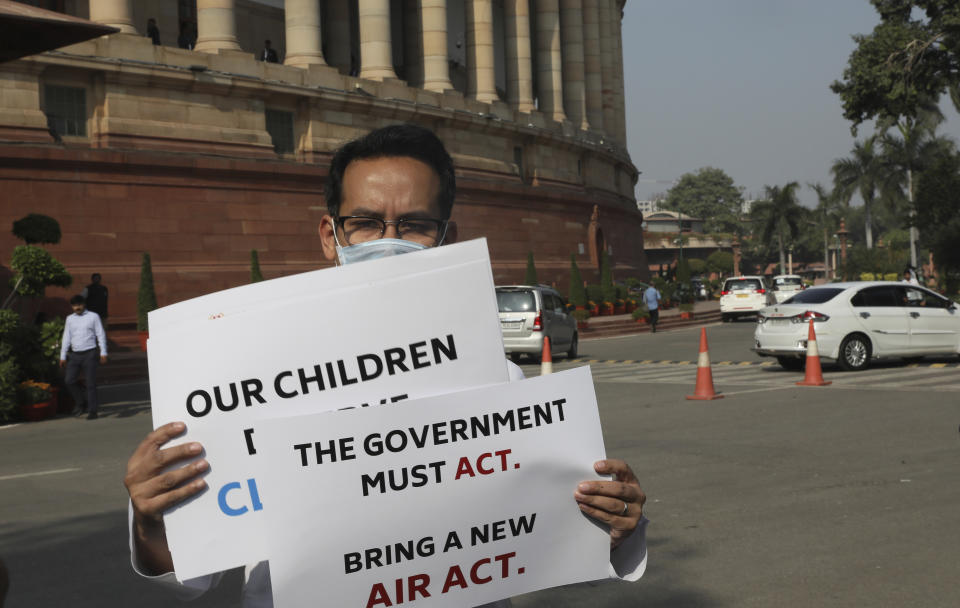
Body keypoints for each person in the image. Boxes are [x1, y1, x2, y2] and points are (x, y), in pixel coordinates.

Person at [124, 125, 647, 606]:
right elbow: (188, 575)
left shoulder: (495, 378)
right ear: (331, 235)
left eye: (415, 224)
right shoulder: (241, 378)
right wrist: (153, 518)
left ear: (447, 238)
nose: (389, 240)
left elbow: (554, 547)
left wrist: (612, 523)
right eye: (367, 223)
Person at [60, 294, 108, 420]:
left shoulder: (93, 317)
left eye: (79, 305)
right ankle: (81, 402)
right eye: (75, 305)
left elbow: (100, 334)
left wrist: (103, 352)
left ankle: (93, 411)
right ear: (72, 306)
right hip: (75, 354)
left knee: (90, 383)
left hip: (90, 353)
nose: (77, 307)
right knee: (69, 380)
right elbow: (66, 337)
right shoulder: (69, 319)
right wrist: (62, 355)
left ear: (84, 304)